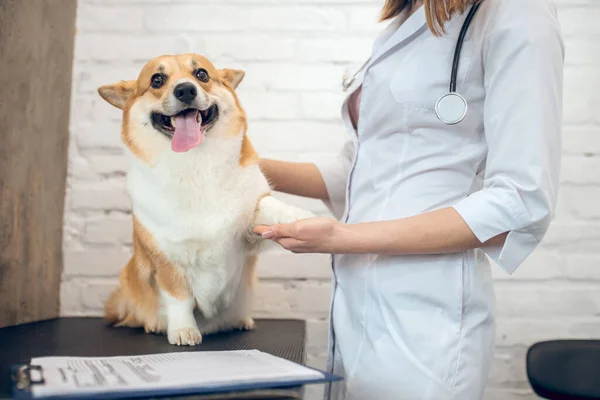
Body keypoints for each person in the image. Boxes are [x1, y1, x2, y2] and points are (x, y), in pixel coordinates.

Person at [254, 0, 564, 399]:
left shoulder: (517, 12)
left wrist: (344, 237)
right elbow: (360, 171)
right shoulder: (404, 19)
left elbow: (520, 200)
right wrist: (235, 165)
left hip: (427, 313)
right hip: (356, 297)